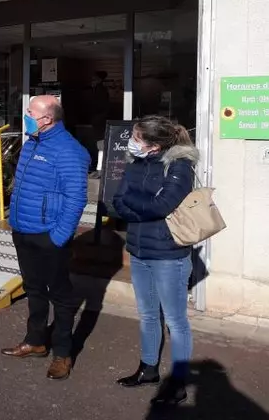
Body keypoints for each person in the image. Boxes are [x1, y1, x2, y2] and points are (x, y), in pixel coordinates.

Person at [1, 95, 90, 381]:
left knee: (60, 296)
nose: (25, 115)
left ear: (48, 118)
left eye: (31, 112)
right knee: (34, 289)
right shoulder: (33, 143)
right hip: (23, 230)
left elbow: (76, 198)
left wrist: (59, 237)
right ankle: (35, 341)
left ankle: (63, 354)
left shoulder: (69, 151)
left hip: (48, 236)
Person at [113, 116, 198, 406]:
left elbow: (163, 205)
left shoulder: (179, 166)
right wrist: (144, 207)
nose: (131, 143)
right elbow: (118, 200)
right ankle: (148, 369)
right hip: (138, 250)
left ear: (155, 144)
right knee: (148, 316)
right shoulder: (137, 163)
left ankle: (178, 382)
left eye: (137, 138)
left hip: (168, 255)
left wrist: (141, 205)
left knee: (176, 320)